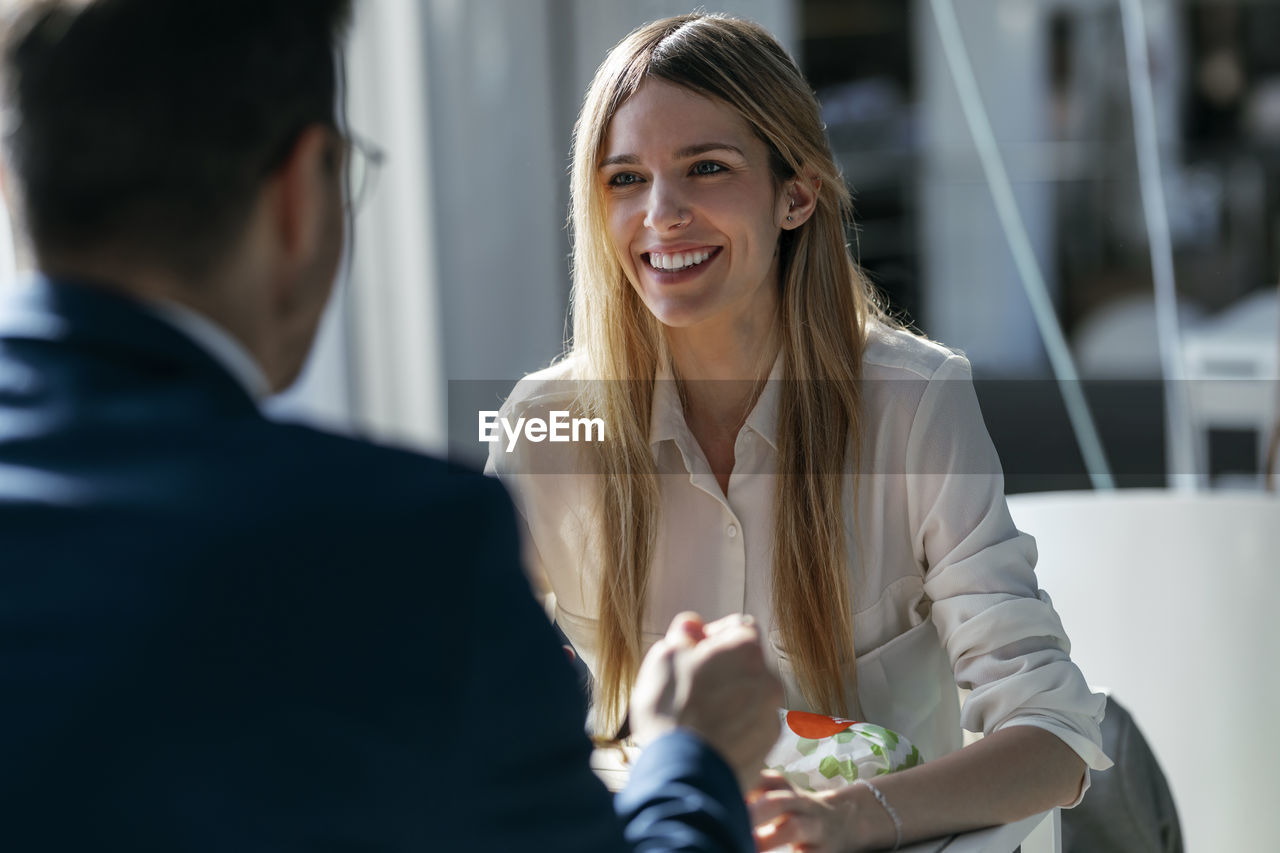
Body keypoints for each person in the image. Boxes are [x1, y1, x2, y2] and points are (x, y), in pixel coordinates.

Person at [0, 2, 783, 850]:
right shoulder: (403, 546)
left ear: (15, 186)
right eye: (623, 177)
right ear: (305, 191)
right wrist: (691, 757)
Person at [488, 13, 1113, 851]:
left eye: (705, 168)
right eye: (625, 179)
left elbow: (1054, 740)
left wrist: (851, 816)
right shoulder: (545, 429)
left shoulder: (913, 403)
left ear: (797, 193)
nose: (661, 214)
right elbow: (467, 708)